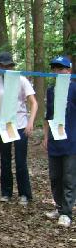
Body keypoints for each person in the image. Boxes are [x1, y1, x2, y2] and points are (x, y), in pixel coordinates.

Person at [0, 52, 38, 205]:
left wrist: (31, 122)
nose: (6, 68)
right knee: (5, 160)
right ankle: (6, 192)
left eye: (9, 65)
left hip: (21, 125)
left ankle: (24, 194)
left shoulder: (21, 80)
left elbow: (34, 103)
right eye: (3, 66)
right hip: (3, 125)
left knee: (21, 161)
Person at [42, 56, 75, 227]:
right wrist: (46, 136)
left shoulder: (75, 88)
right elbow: (48, 116)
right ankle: (59, 206)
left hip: (71, 141)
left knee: (69, 177)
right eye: (55, 68)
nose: (58, 72)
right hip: (55, 141)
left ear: (69, 70)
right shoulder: (51, 90)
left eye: (61, 68)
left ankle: (67, 213)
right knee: (55, 177)